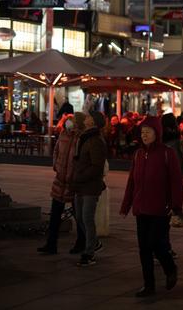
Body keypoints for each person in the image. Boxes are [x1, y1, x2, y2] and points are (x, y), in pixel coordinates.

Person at [120, 116, 183, 298]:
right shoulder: (139, 154)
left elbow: (176, 182)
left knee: (156, 244)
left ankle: (170, 268)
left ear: (157, 133)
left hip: (160, 209)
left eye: (149, 131)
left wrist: (176, 207)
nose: (145, 134)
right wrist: (126, 204)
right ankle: (149, 285)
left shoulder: (167, 153)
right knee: (144, 248)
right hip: (141, 209)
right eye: (143, 132)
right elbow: (132, 182)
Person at [38, 113, 86, 255]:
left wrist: (76, 175)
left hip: (73, 183)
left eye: (72, 121)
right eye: (68, 121)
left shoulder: (81, 138)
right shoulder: (63, 135)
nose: (69, 123)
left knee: (79, 216)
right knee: (55, 216)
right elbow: (56, 151)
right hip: (60, 180)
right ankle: (51, 244)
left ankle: (81, 242)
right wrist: (56, 167)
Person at [71, 111, 107, 267]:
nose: (86, 118)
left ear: (93, 122)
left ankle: (89, 252)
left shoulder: (96, 140)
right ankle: (94, 243)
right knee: (79, 217)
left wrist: (81, 176)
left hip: (90, 186)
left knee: (87, 218)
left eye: (89, 117)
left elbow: (97, 166)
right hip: (80, 185)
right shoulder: (84, 137)